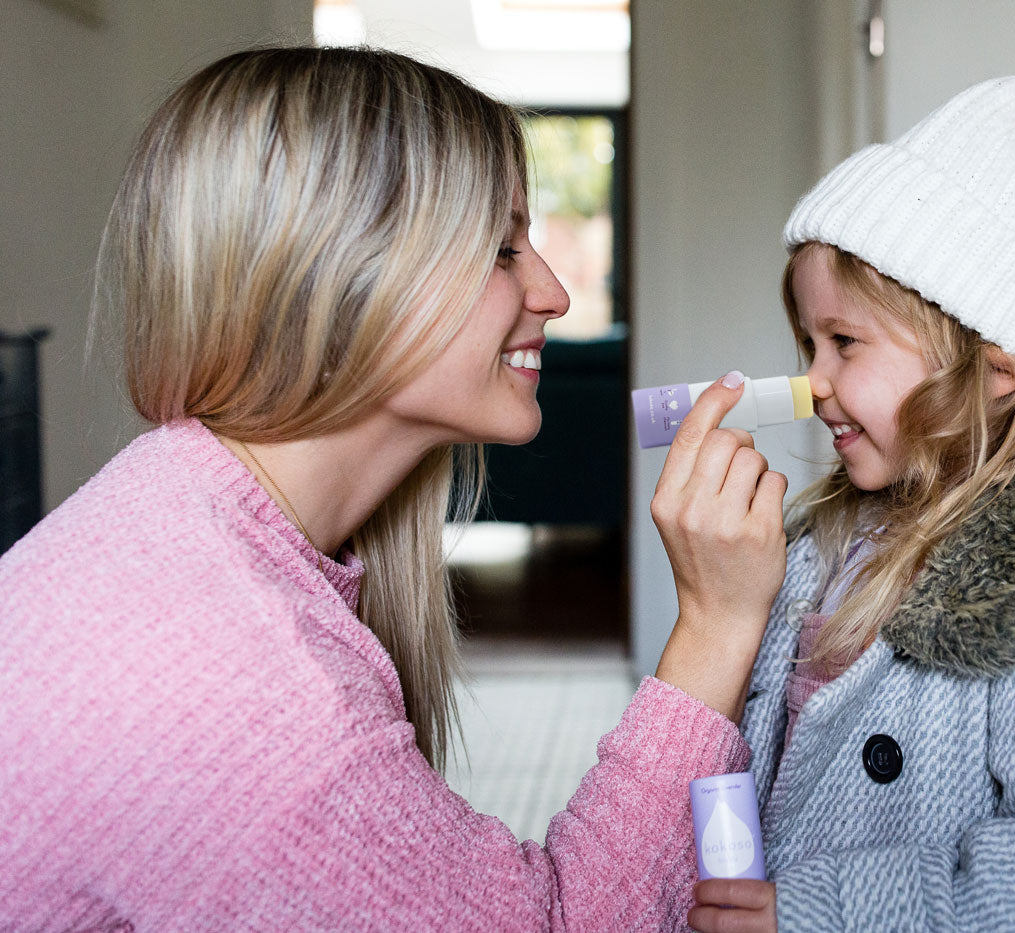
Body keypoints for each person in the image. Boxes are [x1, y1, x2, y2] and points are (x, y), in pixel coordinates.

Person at [0, 47, 789, 930]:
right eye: (500, 249)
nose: (555, 293)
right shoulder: (256, 697)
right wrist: (716, 624)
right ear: (341, 279)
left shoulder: (175, 509)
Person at [685, 24, 1015, 932]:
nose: (813, 382)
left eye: (845, 342)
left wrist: (815, 911)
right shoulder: (819, 551)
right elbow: (746, 753)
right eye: (808, 343)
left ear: (992, 372)